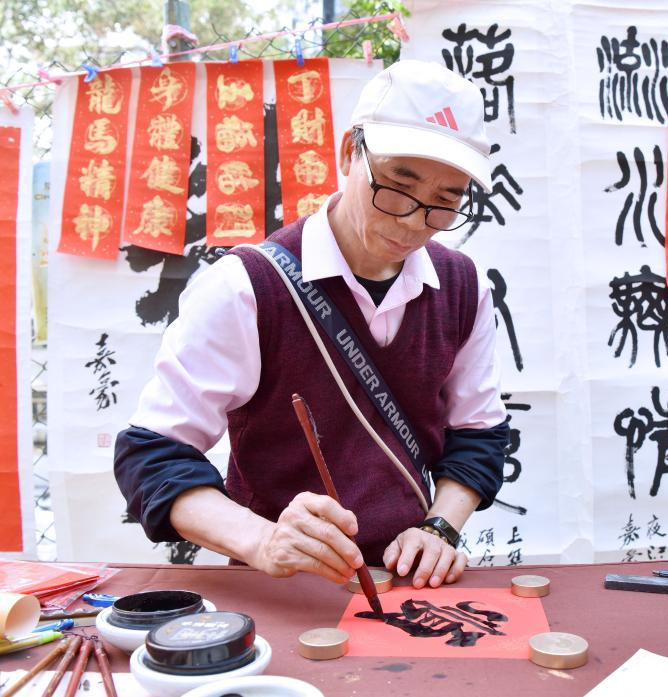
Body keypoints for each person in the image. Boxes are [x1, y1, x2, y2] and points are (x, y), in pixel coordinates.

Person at [115, 60, 509, 589]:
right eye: (397, 186)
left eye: (444, 202)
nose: (413, 222)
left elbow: (479, 434)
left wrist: (439, 528)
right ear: (349, 152)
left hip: (413, 582)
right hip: (281, 586)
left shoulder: (462, 287)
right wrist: (264, 541)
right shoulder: (246, 287)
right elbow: (152, 456)